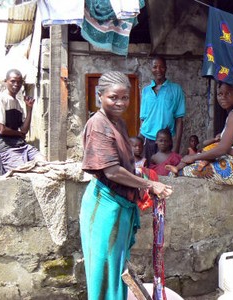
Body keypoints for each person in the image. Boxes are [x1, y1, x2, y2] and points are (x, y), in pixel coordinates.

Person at [80, 71, 173, 300]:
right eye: (114, 97)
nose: (120, 103)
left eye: (125, 98)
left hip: (119, 205)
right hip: (104, 206)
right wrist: (149, 184)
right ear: (99, 96)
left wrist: (140, 177)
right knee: (103, 273)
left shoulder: (118, 123)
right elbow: (111, 171)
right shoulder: (98, 125)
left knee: (118, 269)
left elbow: (124, 163)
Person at [166, 82, 233, 185]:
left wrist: (193, 157)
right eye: (220, 94)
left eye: (228, 93)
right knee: (200, 158)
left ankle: (178, 169)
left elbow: (222, 149)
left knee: (176, 174)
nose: (223, 97)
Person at [0, 69, 45, 172]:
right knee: (23, 173)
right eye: (13, 81)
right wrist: (19, 134)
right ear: (6, 81)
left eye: (19, 82)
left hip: (23, 146)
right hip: (7, 149)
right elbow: (1, 130)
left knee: (44, 164)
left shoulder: (18, 103)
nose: (16, 84)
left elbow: (24, 130)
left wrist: (29, 109)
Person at [139, 56, 186, 163]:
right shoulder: (146, 91)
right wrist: (140, 141)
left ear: (166, 68)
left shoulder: (176, 89)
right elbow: (143, 119)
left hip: (166, 141)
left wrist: (177, 146)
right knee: (149, 172)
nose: (158, 70)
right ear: (151, 69)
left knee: (165, 172)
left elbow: (179, 120)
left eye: (161, 67)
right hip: (148, 139)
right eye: (155, 67)